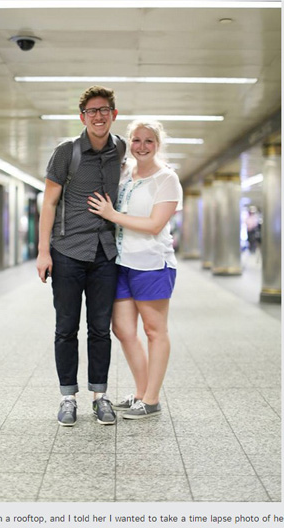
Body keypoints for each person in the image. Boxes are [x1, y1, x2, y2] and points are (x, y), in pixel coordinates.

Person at [36, 86, 124, 427]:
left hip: (105, 253)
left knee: (101, 329)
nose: (98, 116)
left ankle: (100, 397)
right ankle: (67, 397)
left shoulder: (120, 148)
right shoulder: (66, 152)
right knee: (65, 328)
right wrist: (44, 252)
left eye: (104, 110)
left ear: (114, 114)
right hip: (68, 251)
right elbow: (48, 203)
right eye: (92, 111)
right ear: (82, 117)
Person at [87, 119, 183, 419]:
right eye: (137, 140)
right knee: (124, 330)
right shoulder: (125, 173)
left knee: (155, 331)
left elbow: (155, 225)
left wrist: (113, 215)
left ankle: (151, 399)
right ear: (130, 142)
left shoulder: (167, 179)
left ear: (158, 144)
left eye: (149, 141)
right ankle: (141, 394)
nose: (142, 146)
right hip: (121, 262)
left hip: (152, 264)